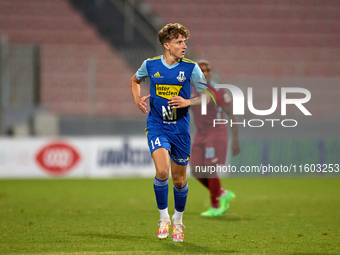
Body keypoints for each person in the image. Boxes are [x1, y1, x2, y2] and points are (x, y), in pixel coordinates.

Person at [130, 23, 207, 242]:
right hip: (157, 126)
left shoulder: (191, 68)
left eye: (185, 42)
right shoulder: (150, 65)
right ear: (167, 45)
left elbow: (208, 97)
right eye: (179, 42)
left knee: (179, 181)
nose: (184, 46)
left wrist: (188, 101)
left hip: (180, 130)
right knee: (162, 172)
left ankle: (178, 221)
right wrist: (137, 98)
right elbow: (135, 80)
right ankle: (163, 218)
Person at [190, 60, 241, 217]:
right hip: (200, 133)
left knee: (210, 170)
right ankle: (222, 192)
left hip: (216, 132)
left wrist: (236, 138)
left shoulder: (219, 90)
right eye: (201, 71)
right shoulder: (190, 90)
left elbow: (231, 114)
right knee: (196, 170)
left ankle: (216, 206)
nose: (205, 74)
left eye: (207, 71)